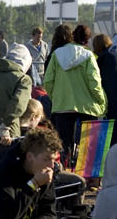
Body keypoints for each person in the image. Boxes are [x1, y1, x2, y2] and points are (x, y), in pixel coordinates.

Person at [43, 25, 106, 166]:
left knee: (63, 145)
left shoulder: (56, 55)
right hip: (87, 107)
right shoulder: (88, 56)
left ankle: (63, 172)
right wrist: (101, 101)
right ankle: (86, 176)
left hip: (62, 106)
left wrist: (56, 97)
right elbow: (94, 82)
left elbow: (48, 81)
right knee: (87, 146)